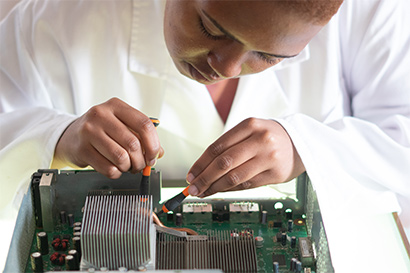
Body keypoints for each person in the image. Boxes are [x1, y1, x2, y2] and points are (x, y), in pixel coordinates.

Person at [1, 0, 410, 269]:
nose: (227, 67)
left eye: (270, 55)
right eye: (211, 29)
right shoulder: (53, 22)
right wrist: (59, 137)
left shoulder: (369, 10)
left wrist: (308, 148)